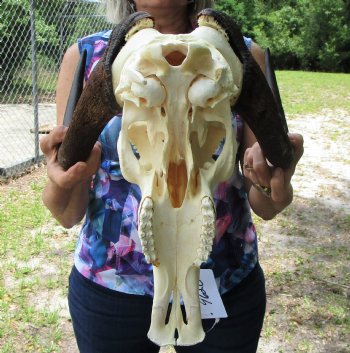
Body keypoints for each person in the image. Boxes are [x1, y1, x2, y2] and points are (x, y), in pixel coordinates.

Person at [40, 1, 304, 352]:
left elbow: (266, 203)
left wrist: (274, 186)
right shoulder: (87, 57)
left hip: (223, 284)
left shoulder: (239, 56)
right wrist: (64, 180)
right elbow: (66, 213)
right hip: (110, 287)